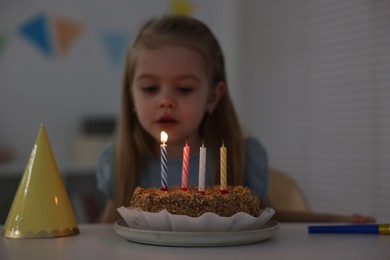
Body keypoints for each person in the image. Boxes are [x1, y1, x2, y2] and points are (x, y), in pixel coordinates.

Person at [96, 14, 375, 224]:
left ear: (213, 97)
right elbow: (105, 231)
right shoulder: (120, 162)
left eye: (184, 89)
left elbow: (270, 221)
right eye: (149, 88)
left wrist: (338, 221)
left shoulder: (240, 158)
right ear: (130, 95)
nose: (165, 100)